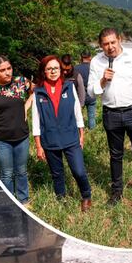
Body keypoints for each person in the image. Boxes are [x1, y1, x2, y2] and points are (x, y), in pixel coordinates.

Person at [88, 28, 132, 205]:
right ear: (100, 45)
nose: (110, 47)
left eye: (113, 42)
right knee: (115, 154)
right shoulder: (97, 62)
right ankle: (117, 191)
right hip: (111, 113)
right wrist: (103, 80)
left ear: (120, 40)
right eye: (105, 44)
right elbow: (91, 91)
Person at [31, 55, 92, 211]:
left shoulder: (69, 86)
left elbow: (77, 111)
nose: (53, 71)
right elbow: (36, 120)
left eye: (56, 68)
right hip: (49, 139)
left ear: (61, 69)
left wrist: (81, 134)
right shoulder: (38, 92)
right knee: (57, 174)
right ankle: (61, 199)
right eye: (49, 68)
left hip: (70, 137)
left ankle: (86, 196)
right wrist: (38, 145)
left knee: (78, 171)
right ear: (44, 71)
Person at [0, 55, 33, 204]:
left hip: (22, 136)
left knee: (21, 171)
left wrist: (26, 107)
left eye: (9, 68)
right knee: (7, 174)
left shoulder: (20, 82)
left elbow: (37, 90)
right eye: (2, 70)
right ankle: (9, 203)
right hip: (1, 139)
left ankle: (24, 200)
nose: (7, 73)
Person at [73, 51, 96, 129]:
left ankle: (79, 131)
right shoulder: (93, 68)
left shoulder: (75, 68)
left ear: (81, 57)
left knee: (78, 116)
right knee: (92, 116)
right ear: (90, 57)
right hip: (91, 95)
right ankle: (92, 133)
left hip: (79, 96)